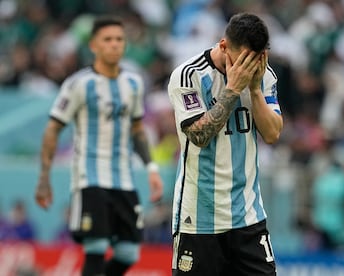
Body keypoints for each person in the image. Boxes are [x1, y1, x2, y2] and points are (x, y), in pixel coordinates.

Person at [34, 16, 163, 276]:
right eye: (108, 39)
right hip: (90, 178)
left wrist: (151, 168)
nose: (114, 45)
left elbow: (137, 129)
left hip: (124, 179)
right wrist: (44, 177)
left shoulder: (134, 84)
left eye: (119, 39)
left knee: (128, 253)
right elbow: (53, 129)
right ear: (93, 45)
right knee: (97, 246)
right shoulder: (79, 84)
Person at [167, 12, 283, 276]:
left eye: (256, 60)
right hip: (198, 220)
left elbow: (273, 134)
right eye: (243, 60)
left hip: (248, 217)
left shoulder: (264, 75)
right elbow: (199, 136)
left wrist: (253, 90)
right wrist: (232, 90)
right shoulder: (188, 76)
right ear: (223, 46)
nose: (249, 68)